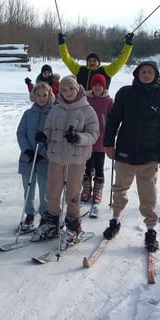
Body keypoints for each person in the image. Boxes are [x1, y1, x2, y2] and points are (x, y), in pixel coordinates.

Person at [102, 61, 160, 253]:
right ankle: (115, 220)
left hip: (150, 154)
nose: (146, 74)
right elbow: (113, 120)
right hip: (124, 152)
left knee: (148, 194)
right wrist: (108, 144)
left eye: (150, 72)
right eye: (143, 71)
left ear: (156, 74)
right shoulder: (125, 93)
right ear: (137, 74)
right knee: (119, 189)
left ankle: (151, 230)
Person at [31, 76, 99, 246]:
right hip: (55, 157)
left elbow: (94, 134)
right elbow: (48, 128)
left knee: (72, 194)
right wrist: (43, 136)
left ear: (78, 89)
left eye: (71, 89)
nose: (68, 93)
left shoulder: (87, 111)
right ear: (59, 92)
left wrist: (77, 137)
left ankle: (73, 226)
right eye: (64, 90)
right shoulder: (56, 109)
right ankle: (52, 223)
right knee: (52, 192)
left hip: (75, 160)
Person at [15, 82, 55, 232]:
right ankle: (30, 214)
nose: (41, 98)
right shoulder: (28, 114)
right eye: (38, 95)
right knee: (28, 189)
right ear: (34, 96)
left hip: (44, 159)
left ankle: (45, 214)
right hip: (28, 159)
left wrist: (42, 152)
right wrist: (27, 150)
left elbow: (54, 137)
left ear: (49, 95)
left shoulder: (53, 114)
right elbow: (20, 133)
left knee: (45, 189)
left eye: (45, 95)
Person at [81, 73, 114, 217]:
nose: (97, 88)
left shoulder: (108, 101)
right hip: (87, 137)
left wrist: (112, 132)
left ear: (104, 87)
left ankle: (98, 189)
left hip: (101, 138)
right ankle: (86, 188)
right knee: (86, 165)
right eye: (95, 85)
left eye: (100, 85)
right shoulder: (86, 99)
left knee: (99, 165)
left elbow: (113, 118)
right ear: (91, 86)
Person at [58, 32, 134, 90]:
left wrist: (128, 44)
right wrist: (62, 44)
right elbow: (66, 58)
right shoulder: (80, 70)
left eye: (94, 60)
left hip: (100, 102)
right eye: (89, 61)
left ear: (98, 62)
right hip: (82, 102)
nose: (92, 63)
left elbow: (121, 60)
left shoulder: (106, 70)